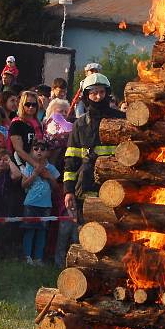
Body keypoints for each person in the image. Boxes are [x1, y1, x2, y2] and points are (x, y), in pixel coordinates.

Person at [63, 72, 124, 220]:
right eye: (94, 93)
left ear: (107, 93)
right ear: (86, 96)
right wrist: (68, 190)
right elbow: (71, 160)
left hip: (116, 184)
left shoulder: (121, 120)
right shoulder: (81, 124)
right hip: (87, 186)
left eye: (102, 92)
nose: (98, 97)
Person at [21, 140, 59, 264]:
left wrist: (49, 177)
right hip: (31, 203)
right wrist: (35, 174)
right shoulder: (29, 166)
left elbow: (56, 187)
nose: (39, 151)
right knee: (29, 230)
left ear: (48, 152)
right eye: (36, 149)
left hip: (46, 205)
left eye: (42, 149)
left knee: (42, 232)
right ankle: (27, 256)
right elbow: (23, 184)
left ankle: (38, 257)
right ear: (31, 151)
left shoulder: (51, 168)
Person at [9, 91, 44, 166]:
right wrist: (35, 164)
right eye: (28, 104)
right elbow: (19, 150)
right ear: (22, 105)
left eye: (34, 105)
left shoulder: (38, 123)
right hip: (22, 164)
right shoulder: (17, 123)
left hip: (38, 161)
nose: (31, 107)